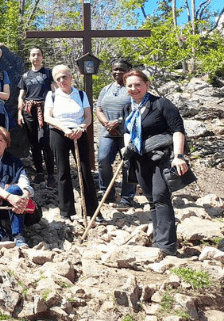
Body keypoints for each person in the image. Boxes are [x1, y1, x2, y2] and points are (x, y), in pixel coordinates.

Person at [122, 70, 189, 255]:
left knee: (161, 197)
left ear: (147, 85)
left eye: (138, 84)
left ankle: (167, 246)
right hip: (139, 158)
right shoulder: (128, 108)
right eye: (129, 85)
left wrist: (179, 156)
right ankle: (159, 241)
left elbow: (178, 130)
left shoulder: (161, 104)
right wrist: (126, 149)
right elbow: (126, 131)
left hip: (162, 157)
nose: (134, 89)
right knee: (151, 199)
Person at [44, 65, 100, 221]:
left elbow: (88, 117)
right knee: (63, 171)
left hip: (79, 132)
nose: (62, 80)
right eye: (58, 78)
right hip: (58, 132)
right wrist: (64, 129)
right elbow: (48, 117)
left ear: (71, 77)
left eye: (65, 77)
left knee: (85, 170)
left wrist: (81, 128)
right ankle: (66, 212)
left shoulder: (81, 94)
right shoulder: (51, 95)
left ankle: (92, 211)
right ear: (55, 81)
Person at [96, 59, 138, 209]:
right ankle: (107, 193)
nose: (118, 72)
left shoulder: (132, 89)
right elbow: (99, 109)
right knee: (103, 160)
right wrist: (107, 124)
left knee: (128, 163)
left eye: (121, 69)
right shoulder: (106, 89)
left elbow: (137, 109)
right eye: (115, 69)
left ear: (128, 71)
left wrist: (119, 122)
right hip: (108, 132)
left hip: (127, 133)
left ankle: (127, 198)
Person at [17, 48, 56, 187]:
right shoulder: (25, 76)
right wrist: (19, 113)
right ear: (30, 58)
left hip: (45, 109)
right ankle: (39, 173)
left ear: (42, 57)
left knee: (46, 142)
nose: (36, 57)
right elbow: (21, 96)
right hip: (29, 111)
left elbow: (54, 90)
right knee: (34, 144)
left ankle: (51, 174)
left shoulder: (48, 73)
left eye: (38, 55)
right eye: (33, 55)